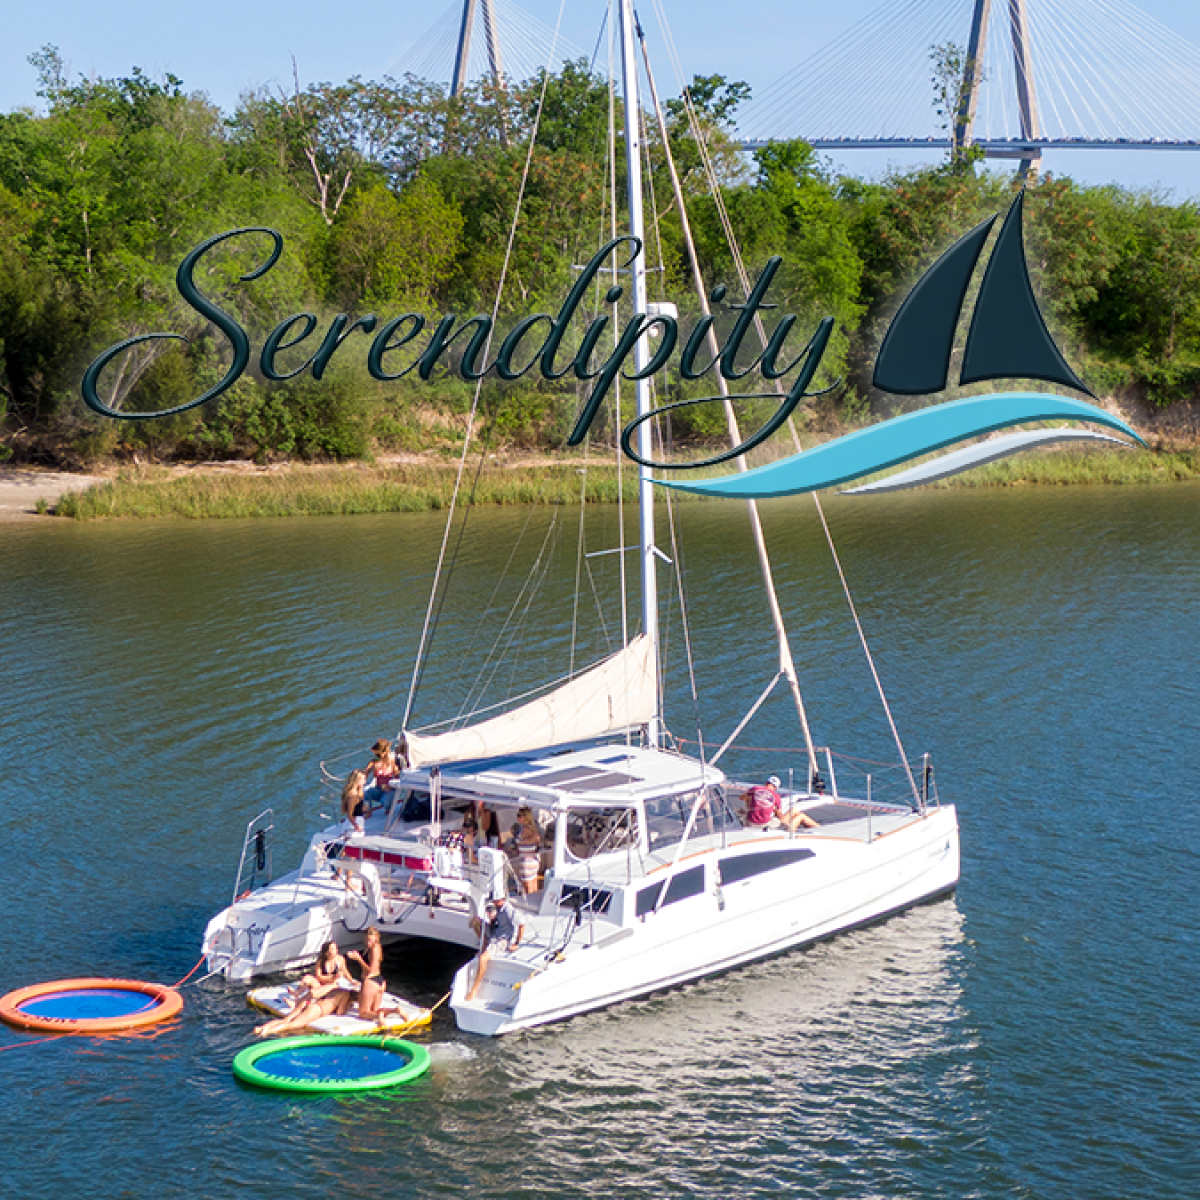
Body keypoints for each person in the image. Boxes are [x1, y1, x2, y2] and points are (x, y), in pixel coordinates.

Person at [255, 946, 353, 1036]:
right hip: (316, 1009)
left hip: (309, 1003)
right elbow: (340, 1012)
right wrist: (347, 1004)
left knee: (286, 1020)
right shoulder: (344, 993)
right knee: (291, 1025)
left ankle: (262, 1028)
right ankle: (267, 1031)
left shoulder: (332, 988)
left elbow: (318, 993)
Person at [465, 895, 525, 1002]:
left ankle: (474, 989)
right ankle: (484, 945)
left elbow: (521, 925)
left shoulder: (509, 910)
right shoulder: (494, 907)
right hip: (493, 934)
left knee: (483, 959)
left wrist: (517, 943)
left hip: (502, 939)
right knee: (475, 921)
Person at [742, 776, 819, 831]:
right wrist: (775, 810)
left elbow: (742, 797)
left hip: (750, 820)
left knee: (793, 810)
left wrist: (750, 802)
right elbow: (780, 817)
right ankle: (820, 829)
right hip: (763, 824)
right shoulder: (776, 796)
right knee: (800, 816)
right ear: (776, 788)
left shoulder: (755, 789)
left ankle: (815, 828)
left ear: (766, 783)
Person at [346, 926, 385, 1022]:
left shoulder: (374, 949)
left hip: (371, 981)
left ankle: (379, 1016)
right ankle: (396, 1011)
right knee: (373, 1011)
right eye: (367, 939)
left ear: (376, 938)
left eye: (370, 940)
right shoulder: (374, 947)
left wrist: (358, 958)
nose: (368, 942)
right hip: (379, 981)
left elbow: (370, 970)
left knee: (363, 1013)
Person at [509, 805, 542, 895]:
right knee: (534, 889)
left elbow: (536, 838)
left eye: (519, 815)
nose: (518, 818)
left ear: (525, 817)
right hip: (532, 860)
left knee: (527, 891)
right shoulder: (530, 828)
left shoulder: (526, 829)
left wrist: (522, 842)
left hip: (527, 863)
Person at [364, 739, 397, 811]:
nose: (378, 755)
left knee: (384, 801)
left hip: (389, 789)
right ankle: (368, 811)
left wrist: (391, 786)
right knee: (365, 792)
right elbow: (366, 773)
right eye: (377, 753)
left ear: (385, 752)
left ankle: (389, 808)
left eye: (380, 753)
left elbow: (397, 775)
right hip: (378, 789)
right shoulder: (374, 762)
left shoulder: (391, 761)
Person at [341, 769, 368, 834]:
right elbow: (349, 813)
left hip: (355, 821)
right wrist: (356, 825)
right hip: (354, 823)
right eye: (363, 779)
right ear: (357, 780)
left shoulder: (357, 793)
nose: (365, 782)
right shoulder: (353, 795)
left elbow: (344, 810)